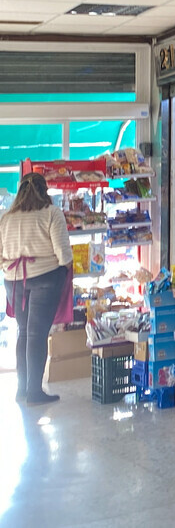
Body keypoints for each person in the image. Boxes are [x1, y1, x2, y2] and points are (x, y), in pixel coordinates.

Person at [1, 173, 73, 406]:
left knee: (23, 332)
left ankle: (22, 390)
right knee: (37, 335)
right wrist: (66, 269)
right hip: (45, 277)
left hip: (14, 280)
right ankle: (35, 392)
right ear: (45, 191)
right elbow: (63, 254)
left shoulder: (6, 218)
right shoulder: (52, 214)